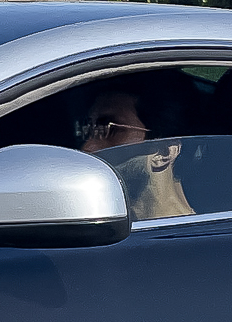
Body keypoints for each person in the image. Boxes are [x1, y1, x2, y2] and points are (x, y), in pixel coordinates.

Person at [76, 77, 196, 221]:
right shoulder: (95, 228)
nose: (86, 148)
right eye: (88, 131)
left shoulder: (199, 241)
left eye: (109, 130)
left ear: (164, 153)